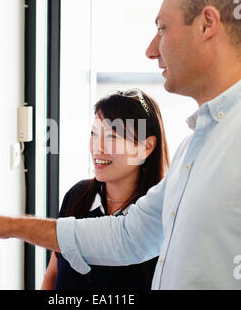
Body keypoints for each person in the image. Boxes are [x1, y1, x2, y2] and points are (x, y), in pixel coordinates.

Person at [0, 0, 241, 289]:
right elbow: (128, 236)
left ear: (207, 24)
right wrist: (0, 225)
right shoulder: (197, 144)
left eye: (162, 29)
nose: (152, 49)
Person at [41, 90, 170, 290]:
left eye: (111, 136)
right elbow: (53, 274)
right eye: (94, 134)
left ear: (146, 146)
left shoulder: (158, 217)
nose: (97, 147)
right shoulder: (77, 196)